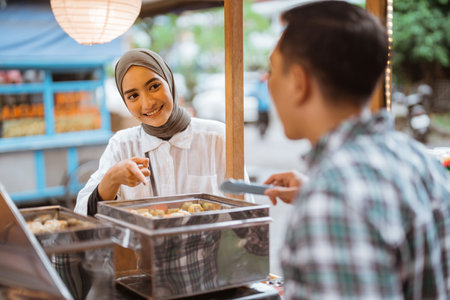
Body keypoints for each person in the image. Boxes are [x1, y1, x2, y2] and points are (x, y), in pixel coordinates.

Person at [262, 1, 450, 299]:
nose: (268, 83)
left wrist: (322, 197)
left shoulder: (333, 199)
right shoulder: (417, 160)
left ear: (299, 82)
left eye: (272, 70)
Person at [75, 49, 251, 216]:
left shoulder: (217, 137)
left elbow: (248, 212)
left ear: (169, 81)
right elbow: (83, 213)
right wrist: (112, 179)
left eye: (154, 86)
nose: (147, 103)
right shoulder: (122, 145)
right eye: (133, 96)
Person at [249, 72, 271, 138]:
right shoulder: (257, 85)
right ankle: (261, 132)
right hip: (260, 107)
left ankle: (263, 130)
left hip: (267, 107)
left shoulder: (267, 84)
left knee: (267, 121)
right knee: (261, 120)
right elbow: (252, 92)